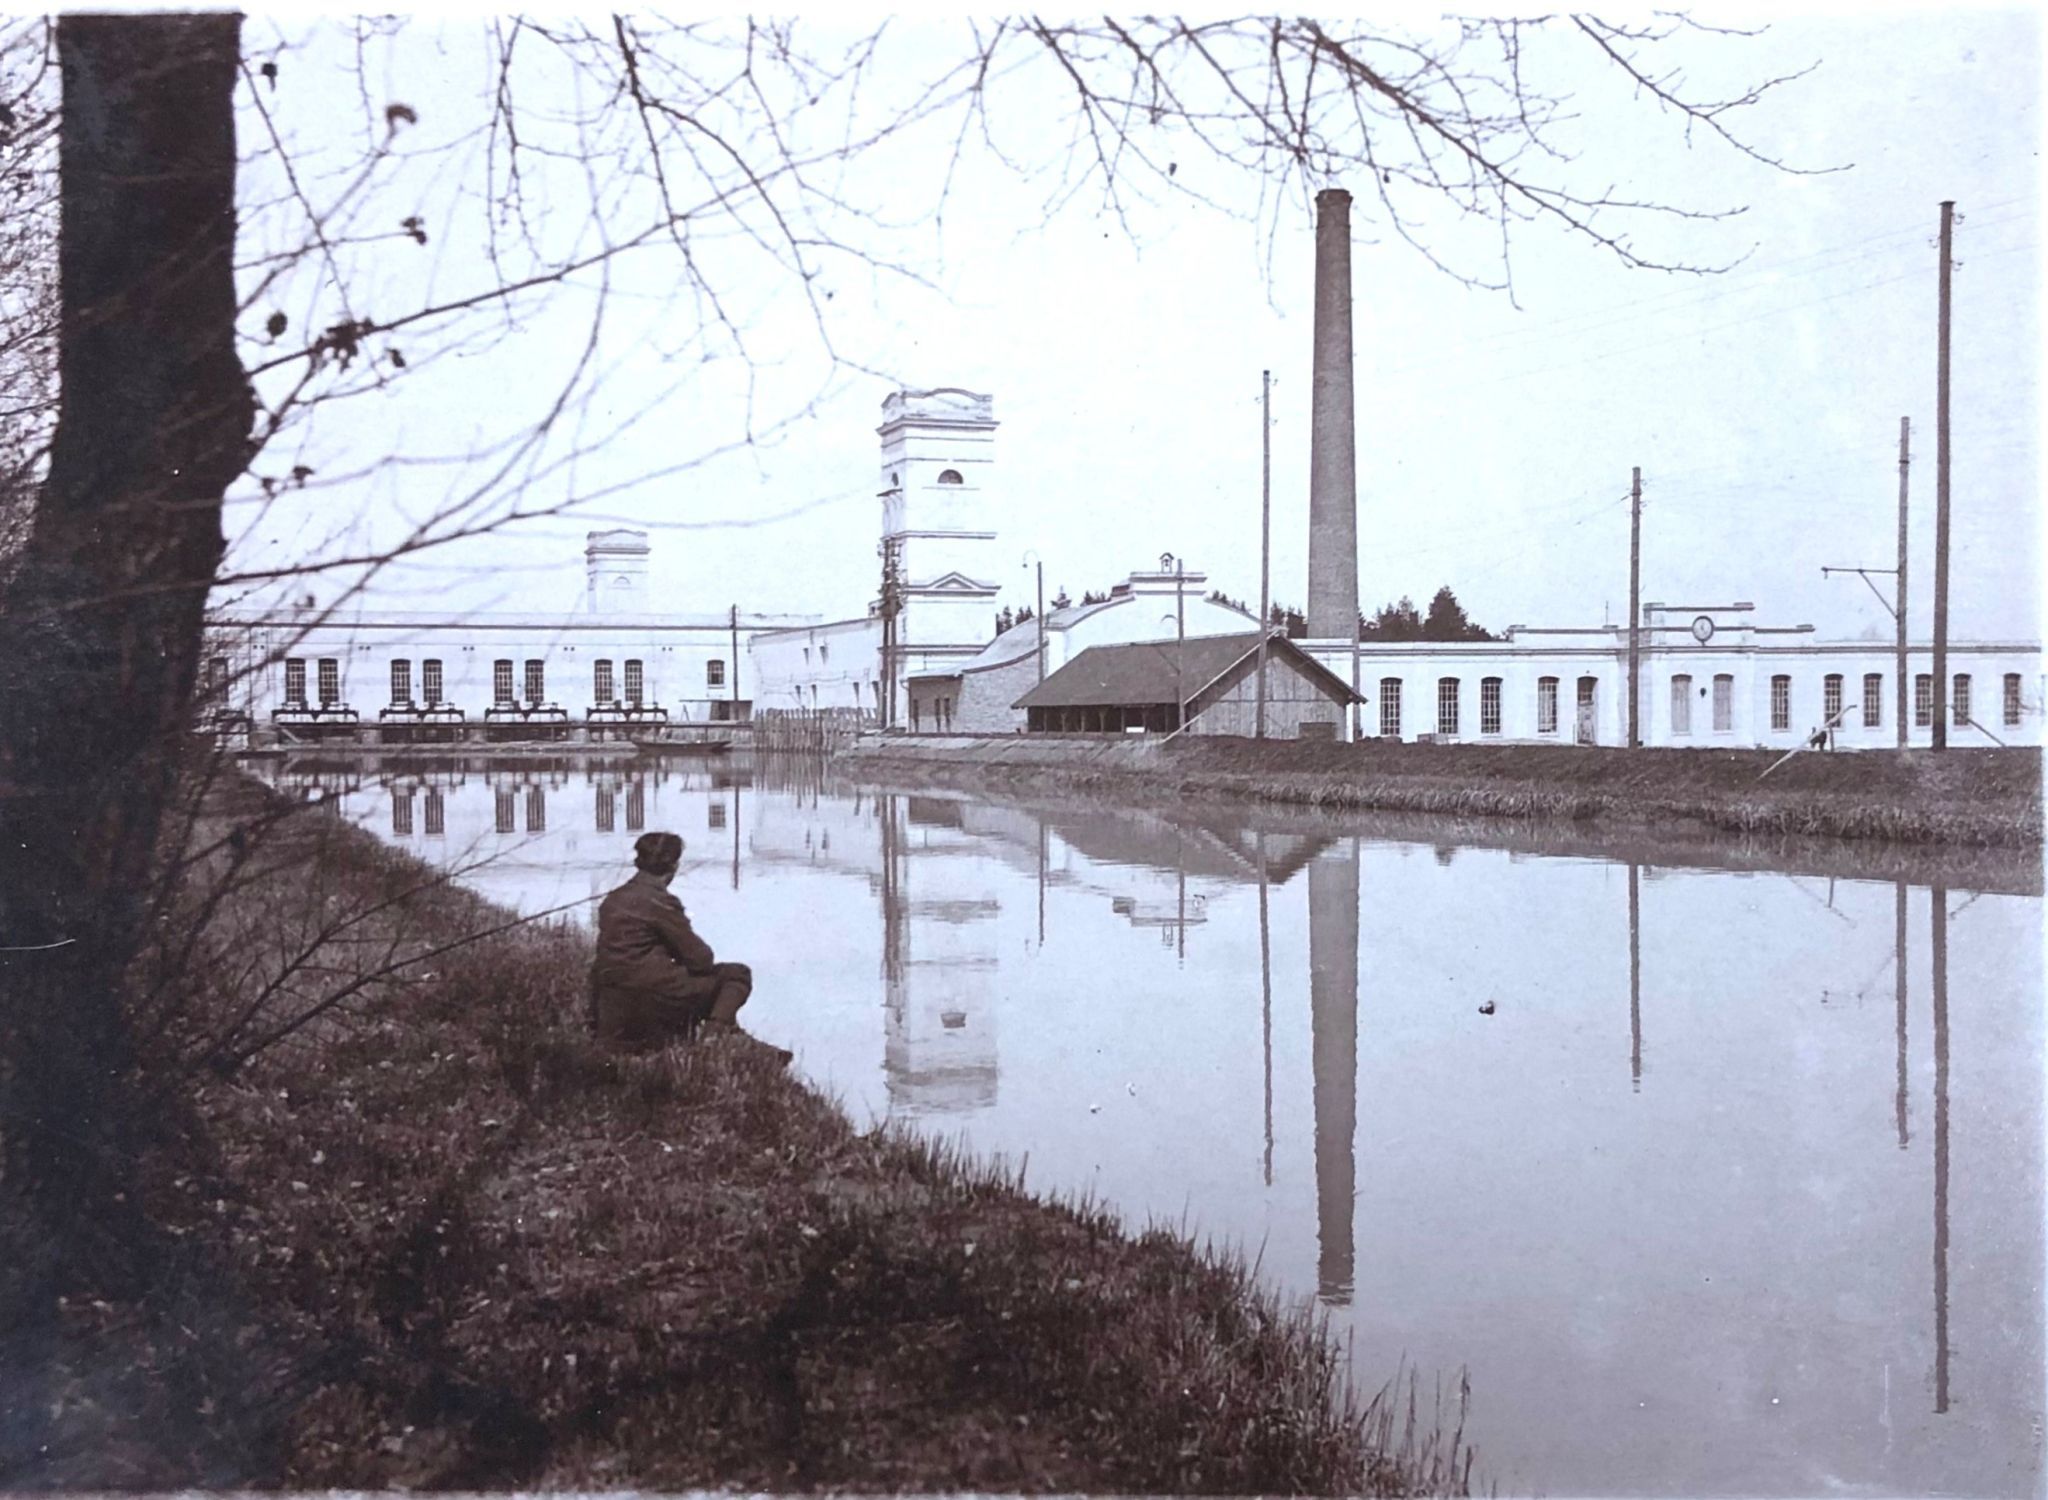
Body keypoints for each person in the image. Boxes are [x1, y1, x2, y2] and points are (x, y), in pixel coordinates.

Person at [589, 831, 790, 1065]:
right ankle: (716, 1035)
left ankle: (734, 1036)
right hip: (656, 999)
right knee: (736, 975)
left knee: (699, 988)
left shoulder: (612, 900)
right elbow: (701, 959)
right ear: (673, 866)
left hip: (614, 1001)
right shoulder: (661, 902)